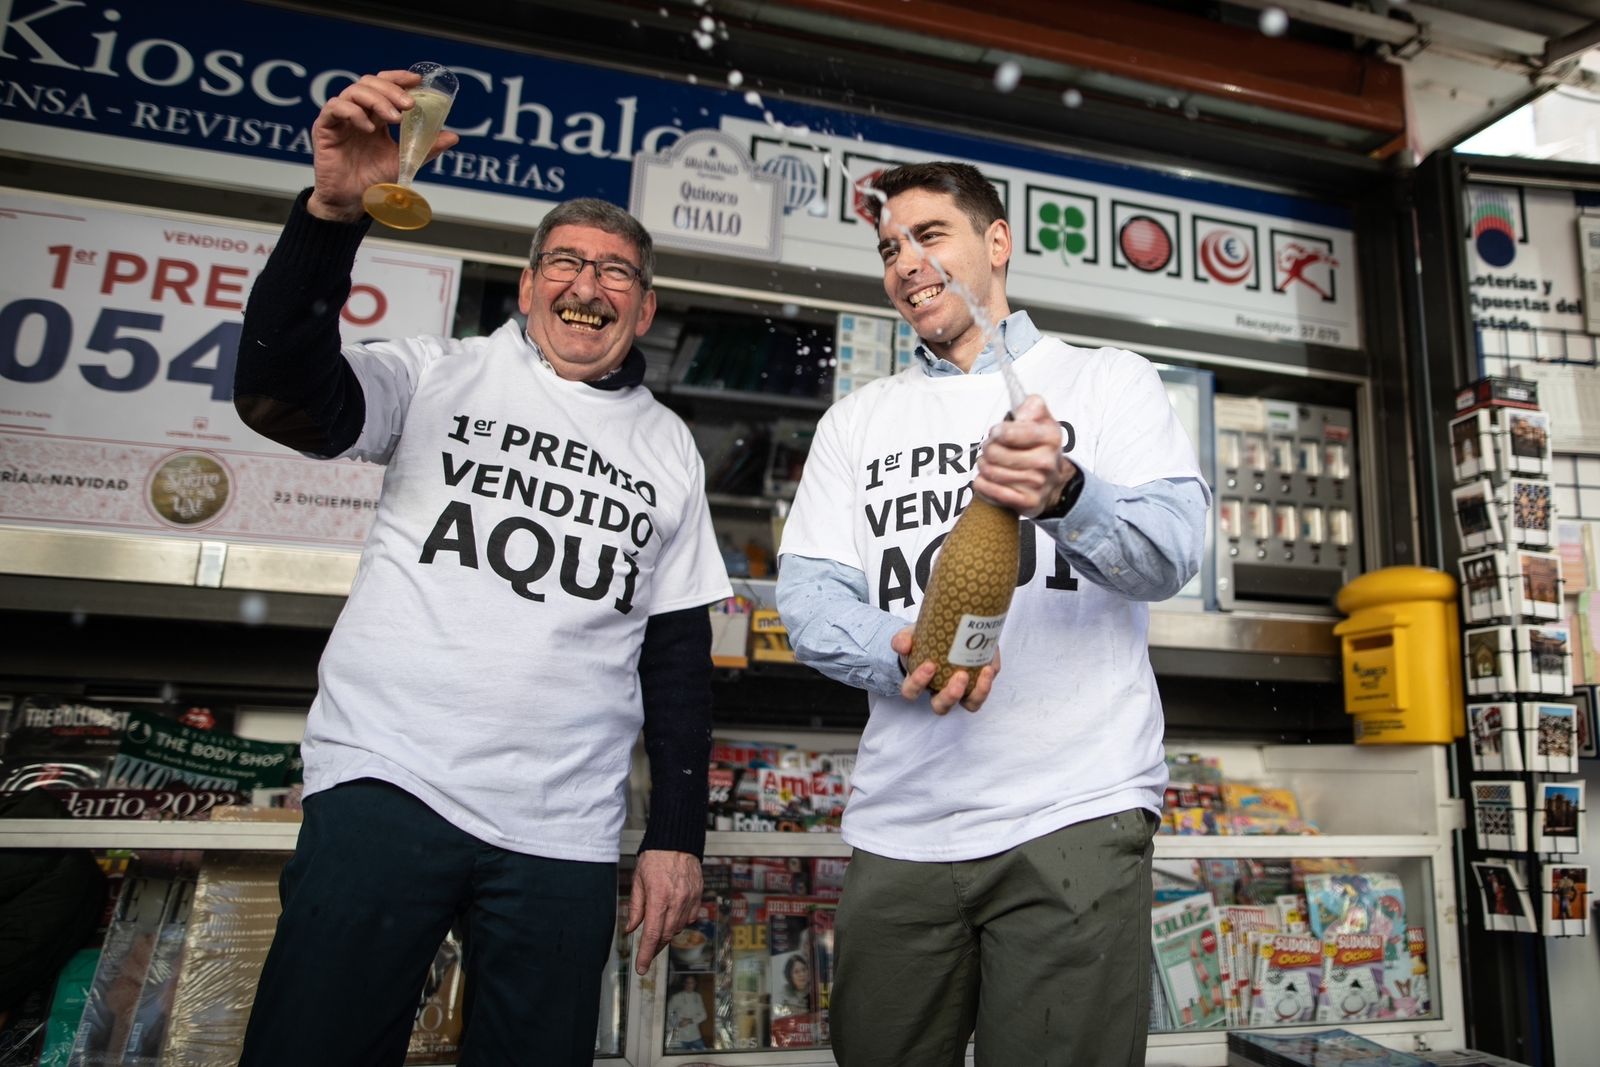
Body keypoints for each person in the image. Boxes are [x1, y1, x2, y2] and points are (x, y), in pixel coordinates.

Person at [233, 68, 730, 1066]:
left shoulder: (669, 446)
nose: (587, 285)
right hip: (387, 780)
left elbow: (676, 657)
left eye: (616, 273)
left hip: (563, 829)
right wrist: (333, 213)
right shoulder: (435, 373)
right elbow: (278, 392)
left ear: (644, 306)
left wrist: (678, 834)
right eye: (566, 263)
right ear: (528, 280)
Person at [776, 161, 1208, 1065]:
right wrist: (902, 650)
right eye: (891, 247)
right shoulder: (858, 420)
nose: (906, 263)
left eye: (930, 236)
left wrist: (1068, 494)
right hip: (901, 824)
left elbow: (1172, 551)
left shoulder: (1108, 381)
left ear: (998, 242)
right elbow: (809, 602)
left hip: (1074, 811)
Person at [665, 973, 709, 1050]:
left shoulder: (697, 997)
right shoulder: (676, 997)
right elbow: (667, 1013)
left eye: (692, 983)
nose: (689, 985)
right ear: (684, 983)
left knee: (703, 1057)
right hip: (680, 1038)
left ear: (695, 984)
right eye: (687, 982)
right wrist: (677, 1023)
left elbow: (704, 1015)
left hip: (695, 1036)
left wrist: (689, 1021)